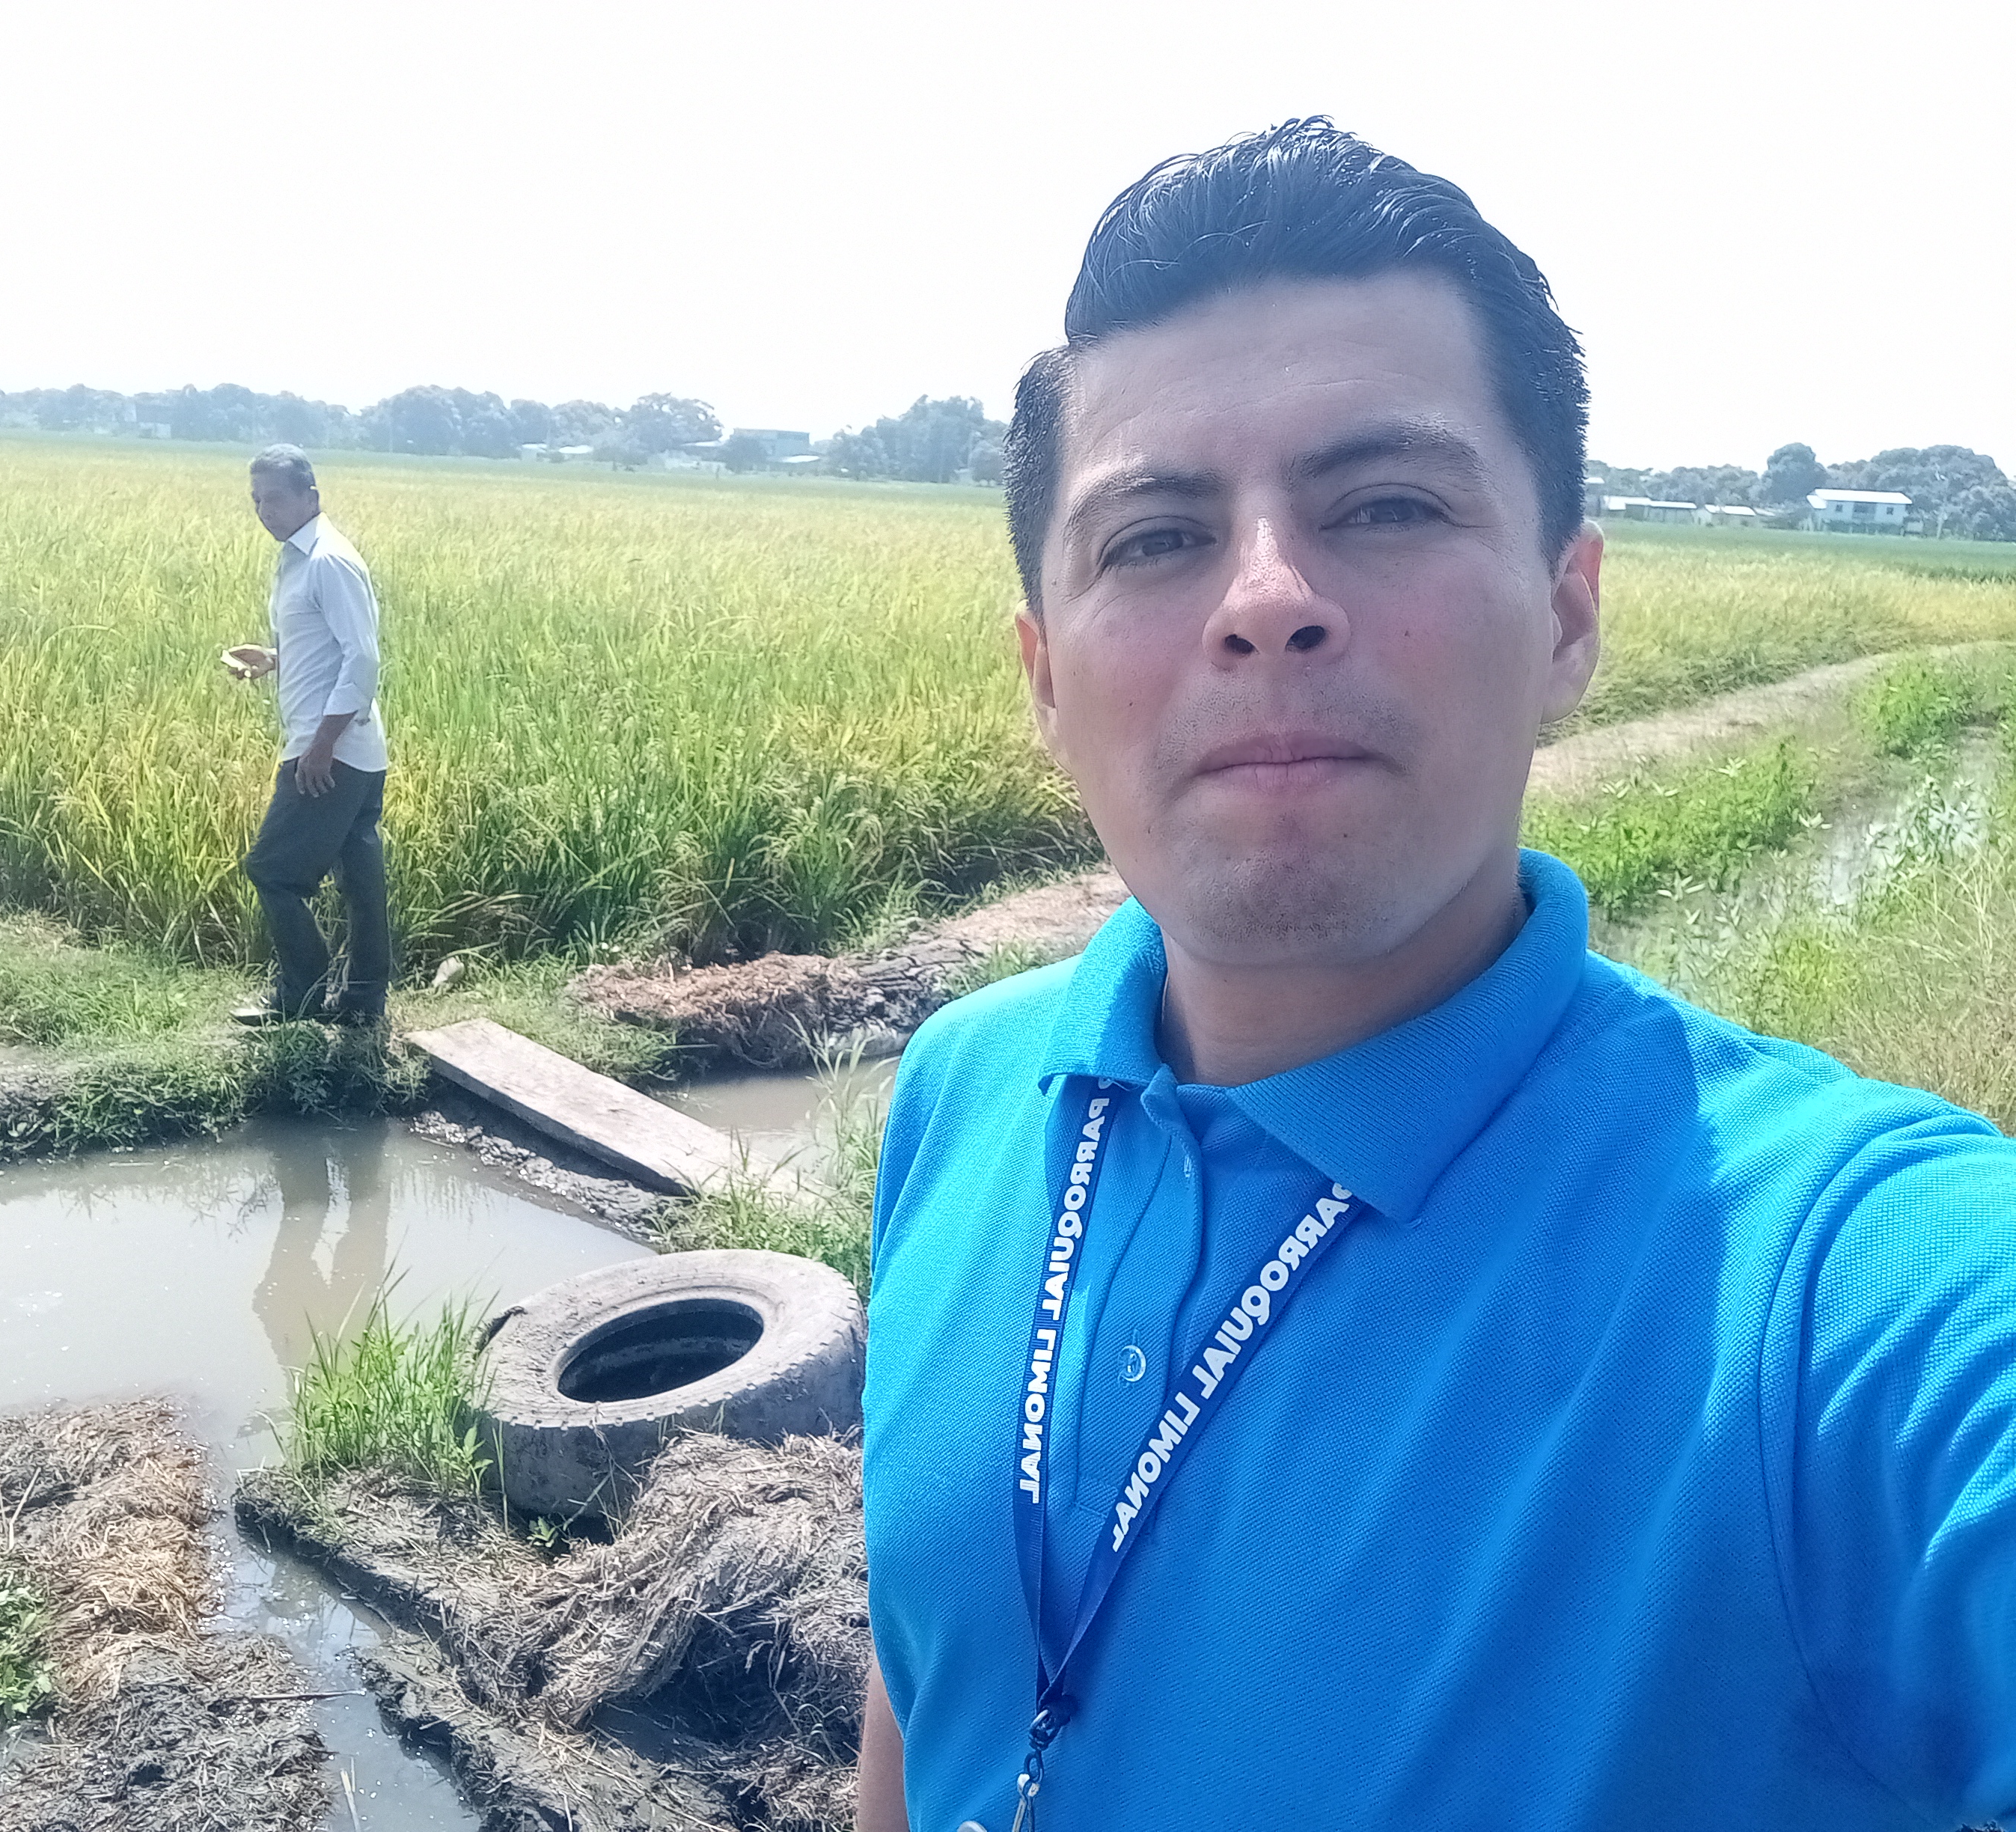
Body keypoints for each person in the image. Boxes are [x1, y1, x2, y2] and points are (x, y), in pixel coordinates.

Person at [858, 120, 2016, 1832]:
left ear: (1567, 617)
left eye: (1386, 505)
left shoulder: (1830, 1293)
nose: (1265, 599)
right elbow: (931, 1672)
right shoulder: (962, 1088)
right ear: (1042, 675)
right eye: (1155, 538)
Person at [224, 444, 392, 1026]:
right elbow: (330, 648)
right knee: (359, 878)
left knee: (273, 871)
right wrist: (276, 659)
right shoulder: (299, 558)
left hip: (331, 750)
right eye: (256, 500)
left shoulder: (328, 560)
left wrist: (322, 747)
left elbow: (362, 659)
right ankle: (363, 1001)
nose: (264, 510)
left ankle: (300, 995)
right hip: (355, 750)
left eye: (274, 498)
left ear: (310, 497)